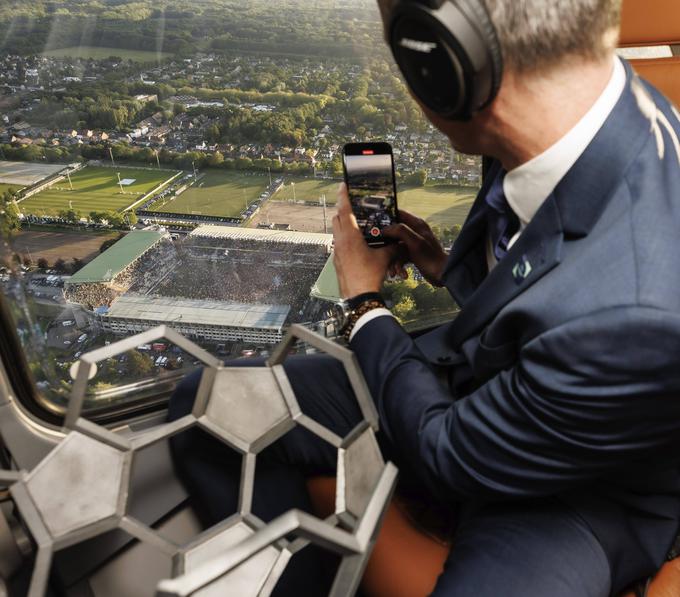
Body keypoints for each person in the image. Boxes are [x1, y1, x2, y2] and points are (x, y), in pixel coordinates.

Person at [169, 0, 680, 595]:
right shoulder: (581, 114)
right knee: (208, 409)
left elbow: (449, 454)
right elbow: (550, 284)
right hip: (484, 378)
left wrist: (363, 299)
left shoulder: (639, 312)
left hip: (579, 489)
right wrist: (444, 266)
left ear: (442, 60)